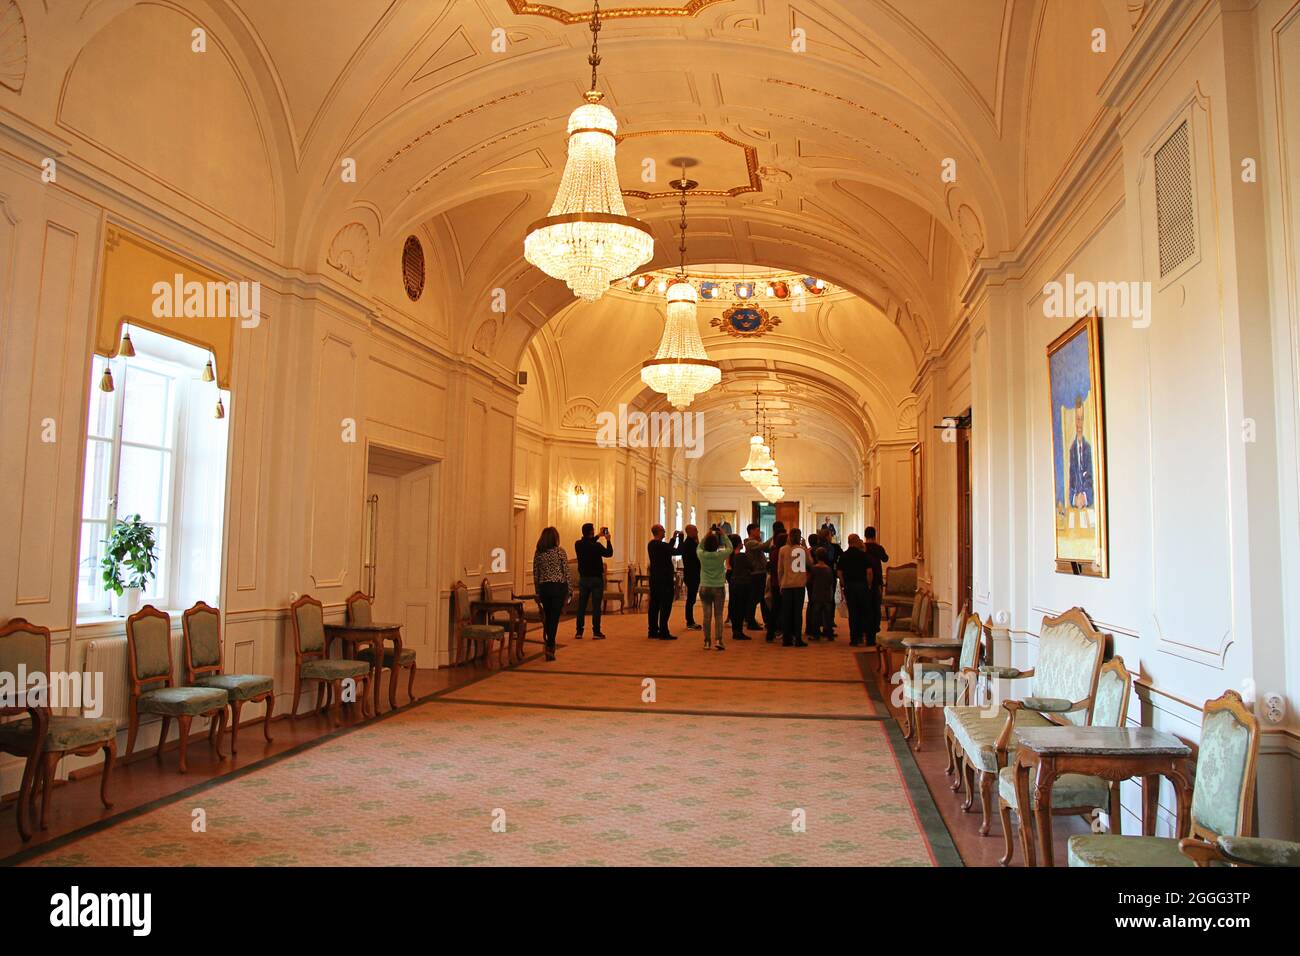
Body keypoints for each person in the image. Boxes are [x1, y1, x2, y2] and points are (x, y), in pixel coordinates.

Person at [532, 526, 571, 662]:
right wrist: (569, 591)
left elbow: (536, 574)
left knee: (548, 617)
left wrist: (537, 591)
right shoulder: (560, 552)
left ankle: (549, 644)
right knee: (554, 618)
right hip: (558, 588)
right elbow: (566, 572)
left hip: (544, 588)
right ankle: (550, 645)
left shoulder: (539, 553)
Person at [573, 523, 612, 640]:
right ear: (591, 532)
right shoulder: (597, 546)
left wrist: (598, 536)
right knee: (596, 607)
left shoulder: (578, 544)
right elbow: (609, 553)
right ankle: (596, 632)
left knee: (581, 606)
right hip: (596, 579)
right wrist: (608, 540)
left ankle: (579, 632)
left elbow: (587, 543)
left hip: (584, 579)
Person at [837, 533, 873, 646]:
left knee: (853, 613)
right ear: (857, 541)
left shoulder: (843, 556)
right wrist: (869, 584)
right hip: (862, 585)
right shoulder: (863, 555)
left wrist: (843, 585)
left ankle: (854, 639)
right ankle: (868, 639)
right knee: (865, 612)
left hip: (850, 586)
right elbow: (869, 572)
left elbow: (839, 573)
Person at [646, 525, 680, 640]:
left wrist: (673, 539)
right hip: (665, 579)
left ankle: (653, 630)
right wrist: (680, 540)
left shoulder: (651, 544)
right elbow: (676, 551)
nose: (665, 531)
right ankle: (664, 631)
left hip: (654, 578)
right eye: (663, 530)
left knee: (654, 605)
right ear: (659, 532)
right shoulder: (661, 545)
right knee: (665, 605)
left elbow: (667, 550)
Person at [777, 528, 809, 647]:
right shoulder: (802, 550)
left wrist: (781, 583)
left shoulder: (783, 550)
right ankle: (798, 638)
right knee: (797, 612)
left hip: (786, 584)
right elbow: (810, 562)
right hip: (799, 584)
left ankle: (787, 639)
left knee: (786, 612)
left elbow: (780, 569)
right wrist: (805, 548)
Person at [697, 531, 728, 650]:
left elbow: (699, 546)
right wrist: (723, 535)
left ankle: (707, 642)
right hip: (718, 587)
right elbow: (730, 547)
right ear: (716, 545)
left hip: (704, 586)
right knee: (719, 615)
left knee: (706, 616)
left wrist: (706, 535)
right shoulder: (720, 555)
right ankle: (719, 640)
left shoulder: (701, 554)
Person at [863, 526, 890, 646]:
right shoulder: (878, 548)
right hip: (877, 580)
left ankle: (866, 630)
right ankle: (875, 629)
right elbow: (885, 559)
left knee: (866, 606)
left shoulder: (862, 548)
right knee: (876, 606)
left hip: (864, 580)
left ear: (865, 535)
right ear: (874, 535)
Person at [725, 533, 750, 642]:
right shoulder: (739, 555)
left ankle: (733, 622)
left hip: (731, 575)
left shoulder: (730, 553)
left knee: (734, 601)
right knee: (739, 603)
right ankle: (737, 629)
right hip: (739, 579)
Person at [808, 547, 835, 640]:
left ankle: (816, 634)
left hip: (816, 594)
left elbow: (810, 580)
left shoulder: (813, 569)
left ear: (816, 556)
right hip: (827, 595)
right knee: (828, 616)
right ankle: (829, 634)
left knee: (816, 615)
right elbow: (831, 582)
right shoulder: (828, 569)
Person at [743, 527, 768, 630]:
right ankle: (750, 621)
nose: (759, 532)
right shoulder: (750, 543)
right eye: (757, 530)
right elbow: (764, 546)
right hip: (756, 574)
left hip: (760, 573)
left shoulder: (754, 542)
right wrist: (775, 536)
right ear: (751, 531)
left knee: (761, 598)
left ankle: (763, 621)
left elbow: (765, 548)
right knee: (754, 599)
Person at [765, 531, 787, 643]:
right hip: (781, 583)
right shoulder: (783, 552)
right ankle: (783, 630)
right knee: (783, 608)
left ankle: (770, 633)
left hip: (774, 582)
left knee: (775, 608)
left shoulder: (773, 552)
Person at [681, 524, 701, 630]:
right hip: (691, 574)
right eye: (696, 531)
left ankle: (690, 621)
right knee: (691, 599)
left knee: (691, 599)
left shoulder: (692, 543)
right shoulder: (688, 544)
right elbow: (698, 556)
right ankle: (690, 622)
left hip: (693, 574)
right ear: (689, 532)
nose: (697, 532)